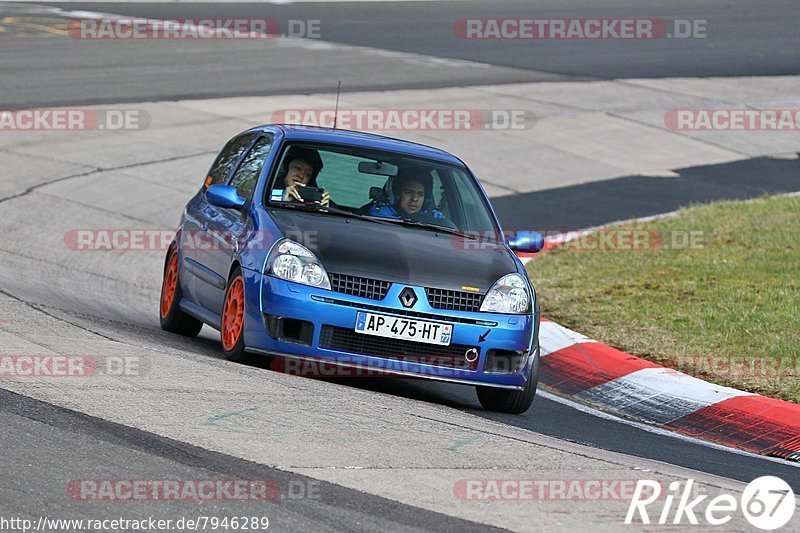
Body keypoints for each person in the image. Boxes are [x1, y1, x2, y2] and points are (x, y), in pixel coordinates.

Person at [366, 166, 446, 221]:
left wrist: (435, 221)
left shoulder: (434, 218)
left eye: (420, 194)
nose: (415, 199)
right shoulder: (380, 214)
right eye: (409, 192)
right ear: (397, 195)